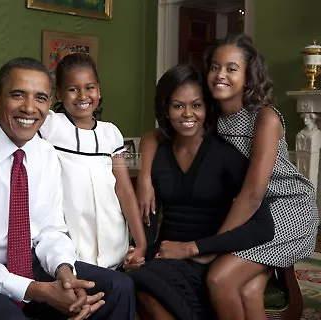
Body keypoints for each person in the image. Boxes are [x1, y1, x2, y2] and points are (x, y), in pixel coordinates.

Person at [0, 57, 136, 320]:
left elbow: (51, 230)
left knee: (118, 287)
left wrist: (64, 273)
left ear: (49, 104)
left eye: (40, 98)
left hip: (30, 264)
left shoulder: (45, 154)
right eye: (17, 95)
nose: (29, 108)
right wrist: (40, 291)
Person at [137, 34, 319, 320]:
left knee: (219, 277)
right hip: (257, 212)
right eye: (214, 67)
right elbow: (154, 135)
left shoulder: (265, 118)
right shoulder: (211, 114)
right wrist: (145, 177)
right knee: (247, 291)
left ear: (248, 76)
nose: (220, 75)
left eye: (231, 69)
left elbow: (252, 195)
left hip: (287, 207)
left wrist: (208, 248)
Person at [0, 53, 146, 271]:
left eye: (90, 87)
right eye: (72, 89)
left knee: (115, 291)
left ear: (99, 90)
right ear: (58, 95)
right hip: (70, 242)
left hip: (113, 238)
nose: (82, 95)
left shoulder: (112, 133)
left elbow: (124, 189)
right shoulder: (49, 124)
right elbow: (1, 126)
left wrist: (140, 243)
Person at [128, 64, 275, 320]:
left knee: (148, 283)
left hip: (209, 256)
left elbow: (263, 226)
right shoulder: (158, 153)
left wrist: (197, 249)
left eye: (196, 105)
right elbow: (148, 214)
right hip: (168, 254)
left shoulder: (225, 154)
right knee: (136, 281)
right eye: (177, 106)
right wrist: (139, 250)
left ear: (207, 109)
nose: (188, 114)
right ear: (165, 109)